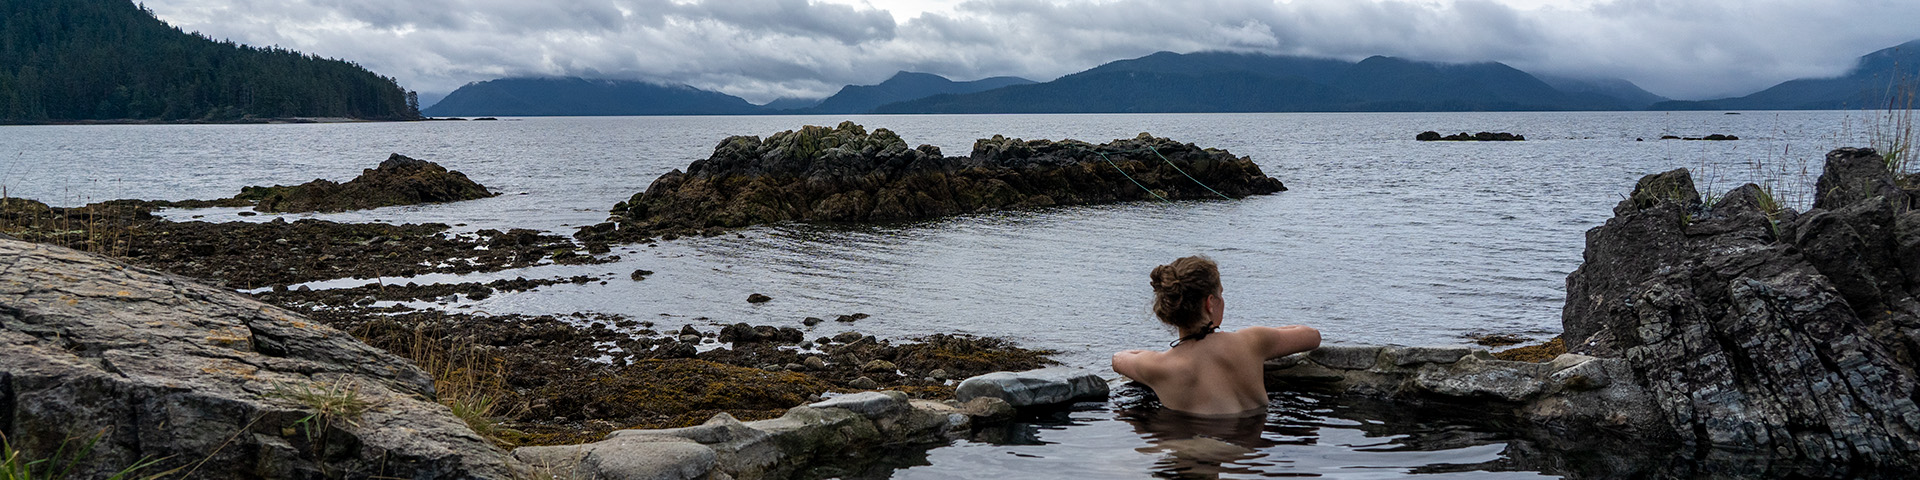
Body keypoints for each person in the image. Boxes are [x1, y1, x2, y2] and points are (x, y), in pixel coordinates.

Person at [1111, 256, 1322, 416]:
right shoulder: (1252, 341)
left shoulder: (1159, 366)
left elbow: (1119, 359)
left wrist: (1154, 356)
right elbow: (1312, 336)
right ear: (1210, 303)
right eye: (1221, 294)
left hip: (1198, 450)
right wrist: (1272, 332)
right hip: (1252, 455)